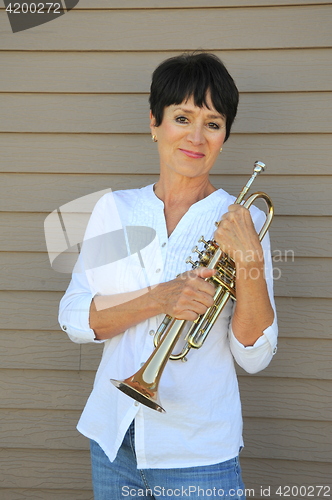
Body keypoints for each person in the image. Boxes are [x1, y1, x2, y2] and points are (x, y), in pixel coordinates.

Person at [59, 52, 278, 500]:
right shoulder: (116, 211)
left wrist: (249, 260)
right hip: (113, 440)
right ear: (154, 124)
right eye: (182, 117)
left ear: (224, 137)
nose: (196, 137)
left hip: (198, 448)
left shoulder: (244, 220)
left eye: (213, 123)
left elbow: (255, 356)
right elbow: (74, 317)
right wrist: (159, 299)